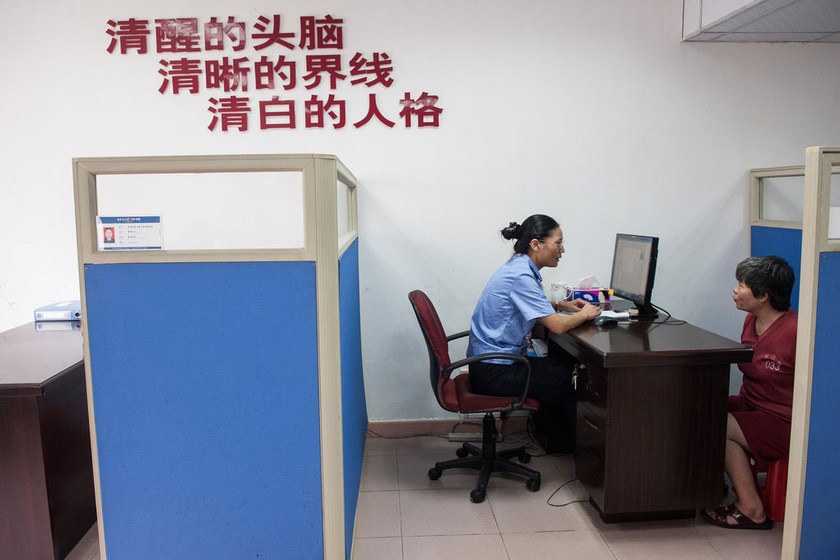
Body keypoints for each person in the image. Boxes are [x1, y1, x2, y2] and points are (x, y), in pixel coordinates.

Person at [467, 215, 601, 451]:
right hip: (495, 371)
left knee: (565, 365)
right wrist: (586, 314)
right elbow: (557, 326)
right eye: (558, 243)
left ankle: (565, 445)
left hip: (490, 364)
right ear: (536, 244)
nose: (562, 250)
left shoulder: (519, 267)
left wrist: (559, 305)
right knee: (575, 378)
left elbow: (523, 304)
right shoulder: (522, 276)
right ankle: (589, 454)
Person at [702, 255, 797, 530]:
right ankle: (707, 485)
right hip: (751, 405)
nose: (735, 290)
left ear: (763, 295)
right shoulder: (750, 320)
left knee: (718, 424)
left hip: (783, 421)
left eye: (742, 285)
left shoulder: (796, 332)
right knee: (699, 408)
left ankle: (752, 509)